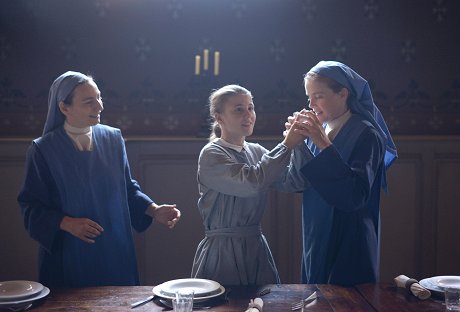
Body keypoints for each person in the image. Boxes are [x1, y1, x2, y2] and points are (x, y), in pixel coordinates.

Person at [17, 71, 181, 287]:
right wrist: (66, 223)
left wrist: (154, 209)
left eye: (99, 98)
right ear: (64, 107)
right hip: (69, 254)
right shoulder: (43, 150)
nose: (100, 107)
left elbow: (127, 190)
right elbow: (31, 206)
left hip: (115, 251)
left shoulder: (113, 139)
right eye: (88, 102)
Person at [285, 61, 397, 286]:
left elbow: (354, 195)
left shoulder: (368, 133)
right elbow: (299, 183)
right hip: (316, 232)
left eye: (318, 96)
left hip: (349, 236)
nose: (311, 104)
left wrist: (322, 144)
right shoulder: (319, 129)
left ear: (343, 93)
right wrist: (295, 144)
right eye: (309, 97)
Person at [191, 84, 305, 285]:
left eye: (251, 108)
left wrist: (301, 143)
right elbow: (251, 183)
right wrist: (287, 144)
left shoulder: (257, 151)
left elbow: (293, 182)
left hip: (256, 248)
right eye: (239, 109)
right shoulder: (211, 154)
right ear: (219, 118)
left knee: (263, 304)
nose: (248, 115)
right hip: (222, 251)